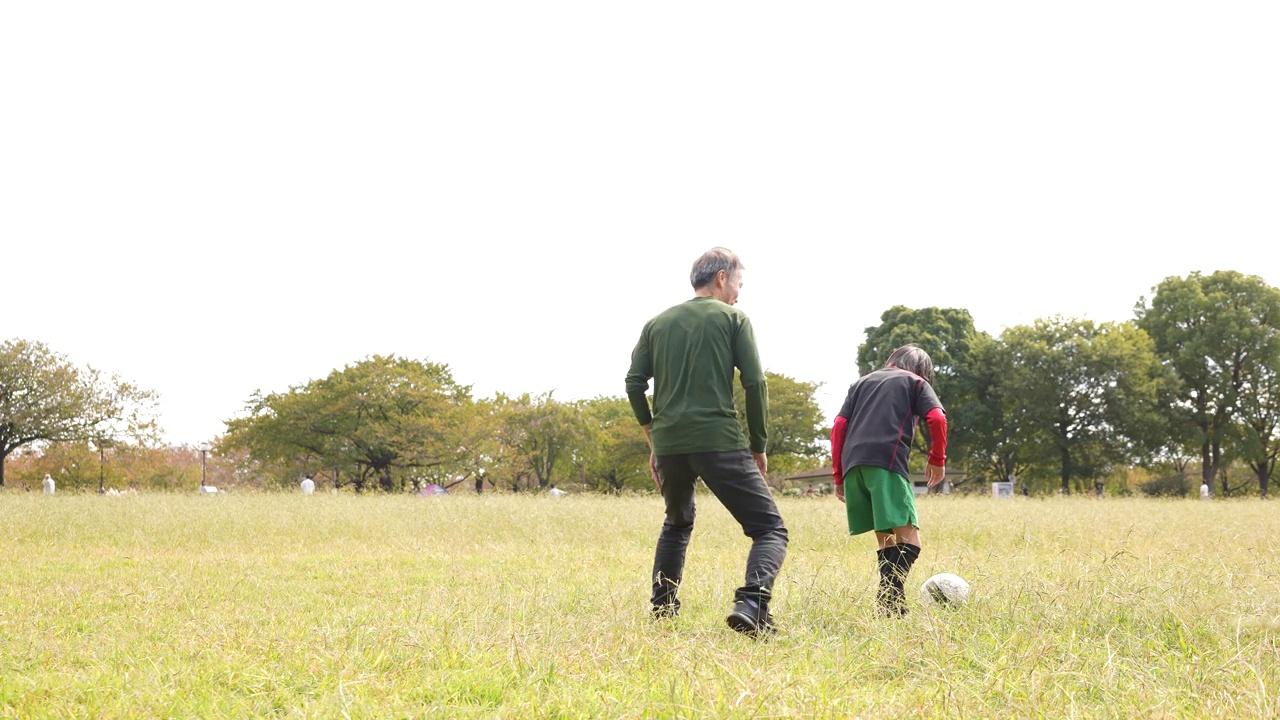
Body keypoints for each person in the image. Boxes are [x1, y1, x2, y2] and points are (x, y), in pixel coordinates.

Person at [626, 247, 788, 636]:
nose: (739, 293)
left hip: (669, 446)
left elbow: (634, 382)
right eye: (738, 283)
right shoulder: (734, 319)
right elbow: (755, 383)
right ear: (721, 277)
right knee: (769, 529)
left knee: (677, 524)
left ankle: (663, 611)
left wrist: (653, 437)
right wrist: (759, 444)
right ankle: (751, 603)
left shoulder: (657, 323)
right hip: (719, 440)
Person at [830, 344, 948, 617]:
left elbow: (838, 427)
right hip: (887, 462)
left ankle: (892, 608)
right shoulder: (915, 382)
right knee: (911, 541)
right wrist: (937, 458)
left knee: (887, 542)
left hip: (853, 467)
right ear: (923, 370)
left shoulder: (861, 383)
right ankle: (888, 596)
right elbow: (937, 417)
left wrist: (838, 475)